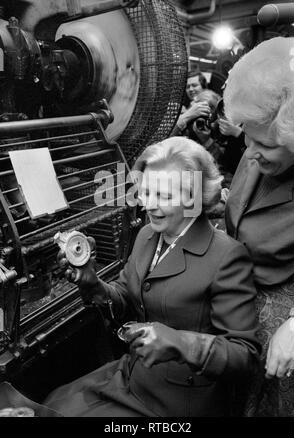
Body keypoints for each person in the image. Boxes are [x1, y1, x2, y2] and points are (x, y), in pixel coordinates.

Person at [44, 137, 260, 417]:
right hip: (133, 376)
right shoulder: (148, 235)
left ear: (195, 198)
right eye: (145, 192)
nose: (148, 205)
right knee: (53, 403)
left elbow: (245, 355)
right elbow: (123, 296)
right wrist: (93, 284)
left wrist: (182, 343)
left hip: (177, 401)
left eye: (165, 196)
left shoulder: (226, 256)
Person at [223, 36, 294, 416]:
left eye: (265, 144)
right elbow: (240, 212)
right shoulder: (257, 149)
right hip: (237, 302)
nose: (250, 152)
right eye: (246, 136)